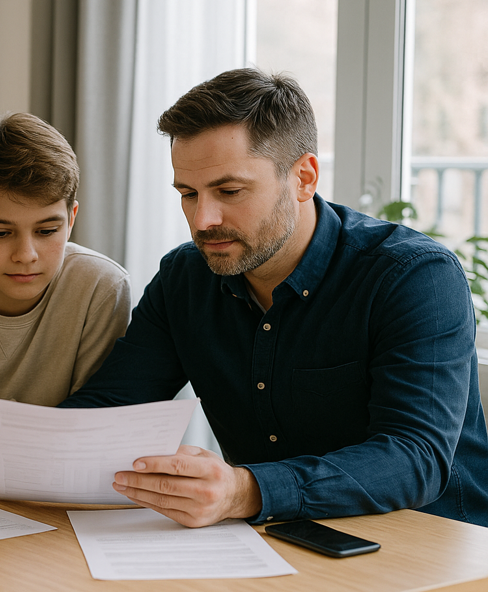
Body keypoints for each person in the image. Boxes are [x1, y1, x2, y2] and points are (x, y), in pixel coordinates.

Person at [44, 68, 488, 528]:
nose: (202, 219)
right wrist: (34, 453)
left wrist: (247, 491)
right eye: (188, 194)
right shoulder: (186, 278)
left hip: (430, 544)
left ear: (303, 177)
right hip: (276, 539)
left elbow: (413, 457)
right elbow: (114, 405)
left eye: (229, 191)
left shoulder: (414, 277)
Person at [0, 113, 131, 439]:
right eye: (1, 233)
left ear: (71, 218)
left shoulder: (100, 287)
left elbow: (90, 426)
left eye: (47, 230)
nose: (26, 254)